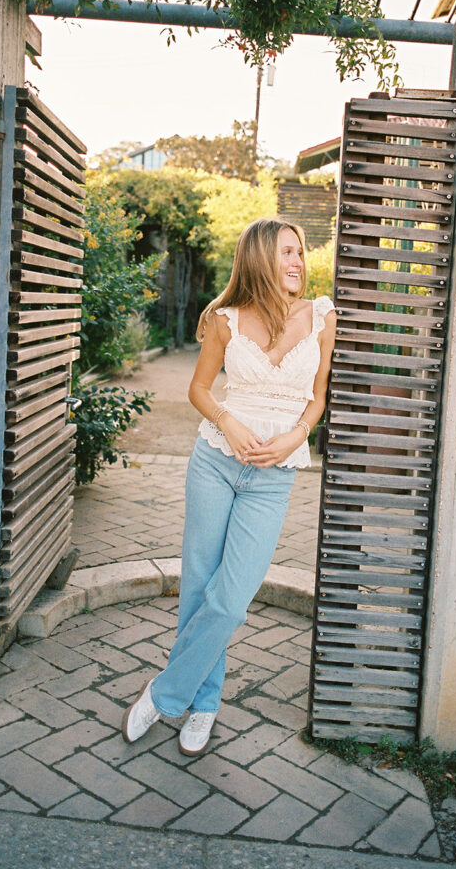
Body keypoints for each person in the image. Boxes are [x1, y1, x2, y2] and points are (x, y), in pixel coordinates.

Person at [121, 217, 336, 756]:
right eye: (287, 252)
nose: (298, 262)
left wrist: (295, 438)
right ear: (261, 258)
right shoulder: (224, 320)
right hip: (215, 462)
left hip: (272, 477)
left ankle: (166, 693)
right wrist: (228, 422)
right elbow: (198, 389)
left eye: (300, 252)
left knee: (231, 597)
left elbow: (318, 398)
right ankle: (206, 704)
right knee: (198, 588)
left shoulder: (322, 317)